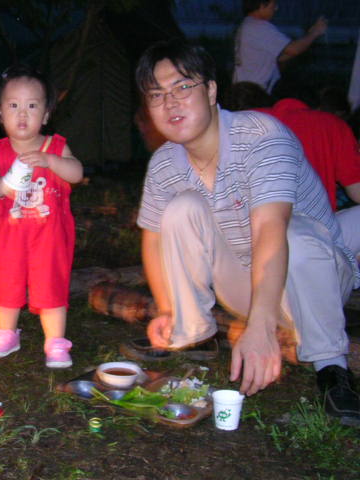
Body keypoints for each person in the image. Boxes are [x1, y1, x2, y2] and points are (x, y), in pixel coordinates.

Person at [135, 39, 360, 425]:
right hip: (244, 286)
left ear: (210, 90)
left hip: (312, 284)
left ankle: (332, 367)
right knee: (182, 207)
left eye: (182, 87)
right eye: (157, 95)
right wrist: (167, 308)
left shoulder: (260, 136)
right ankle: (192, 329)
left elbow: (271, 227)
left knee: (294, 233)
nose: (170, 103)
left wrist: (260, 327)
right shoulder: (164, 163)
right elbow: (153, 238)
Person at [0, 64, 83, 368]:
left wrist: (51, 161)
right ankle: (6, 334)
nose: (22, 114)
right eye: (13, 106)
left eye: (32, 106)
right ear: (0, 113)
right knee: (5, 283)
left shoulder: (56, 148)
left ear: (46, 114)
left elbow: (76, 173)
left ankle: (56, 341)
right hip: (7, 239)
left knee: (51, 285)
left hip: (49, 238)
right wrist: (3, 185)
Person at [224, 81, 360, 258]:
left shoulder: (242, 123)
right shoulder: (332, 124)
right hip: (315, 241)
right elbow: (357, 192)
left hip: (251, 240)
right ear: (316, 105)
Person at [233, 0, 327, 93]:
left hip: (247, 89)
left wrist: (309, 36)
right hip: (254, 92)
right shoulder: (259, 26)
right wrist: (315, 32)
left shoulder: (248, 24)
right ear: (262, 6)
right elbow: (294, 49)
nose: (276, 8)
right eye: (273, 5)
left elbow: (280, 57)